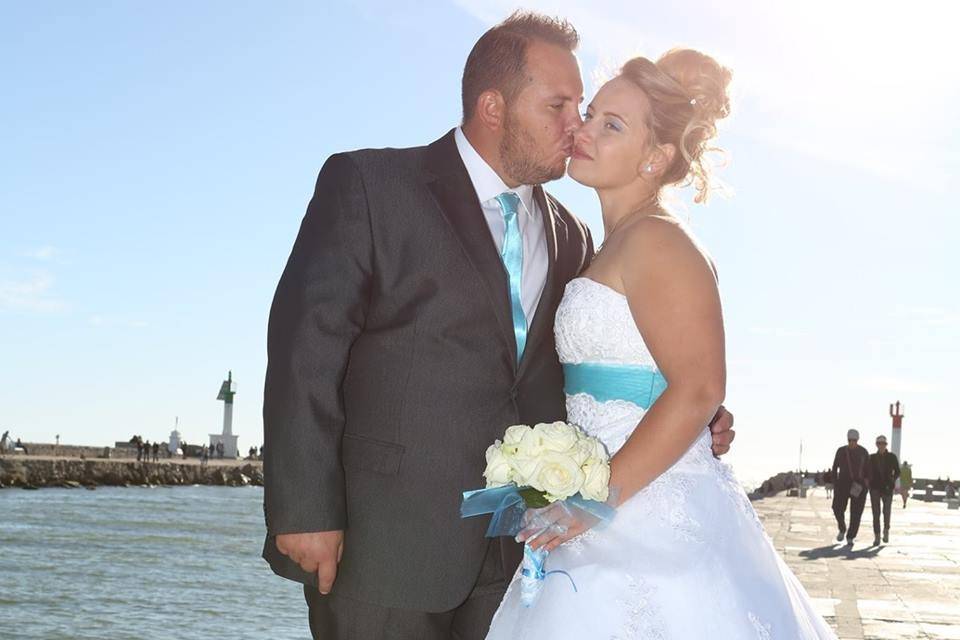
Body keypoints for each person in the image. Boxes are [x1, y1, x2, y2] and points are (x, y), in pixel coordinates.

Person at [262, 12, 737, 640]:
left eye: (589, 111)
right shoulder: (372, 186)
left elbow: (584, 368)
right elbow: (304, 353)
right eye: (562, 105)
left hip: (519, 555)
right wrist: (304, 511)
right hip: (384, 547)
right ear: (494, 106)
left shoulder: (575, 236)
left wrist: (689, 415)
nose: (577, 125)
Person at [485, 48, 834, 639]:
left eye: (610, 125)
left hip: (641, 510)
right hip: (601, 500)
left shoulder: (657, 242)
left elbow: (699, 386)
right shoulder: (605, 245)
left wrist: (590, 503)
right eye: (591, 114)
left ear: (657, 157)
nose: (584, 130)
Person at [830, 429, 870, 546]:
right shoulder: (841, 451)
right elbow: (834, 467)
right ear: (847, 440)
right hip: (842, 484)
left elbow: (868, 470)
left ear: (858, 440)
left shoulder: (863, 452)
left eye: (854, 440)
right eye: (850, 440)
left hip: (858, 485)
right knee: (836, 508)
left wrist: (866, 485)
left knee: (856, 512)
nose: (852, 442)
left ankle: (851, 536)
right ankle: (842, 528)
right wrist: (835, 482)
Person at [868, 435, 899, 545]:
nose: (881, 445)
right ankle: (877, 536)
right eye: (879, 443)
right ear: (877, 444)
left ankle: (886, 531)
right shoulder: (871, 457)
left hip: (887, 489)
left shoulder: (892, 457)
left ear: (886, 445)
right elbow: (867, 472)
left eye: (883, 443)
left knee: (886, 512)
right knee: (876, 513)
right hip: (875, 488)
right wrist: (869, 484)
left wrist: (892, 481)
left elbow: (898, 471)